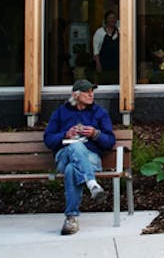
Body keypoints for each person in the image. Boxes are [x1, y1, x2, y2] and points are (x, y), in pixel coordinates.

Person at [42, 79, 116, 235]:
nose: (91, 94)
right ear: (75, 95)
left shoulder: (99, 113)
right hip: (64, 156)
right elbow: (48, 140)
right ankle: (92, 184)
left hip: (91, 158)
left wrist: (96, 134)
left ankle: (71, 218)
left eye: (92, 91)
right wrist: (65, 134)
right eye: (87, 91)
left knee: (71, 170)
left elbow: (110, 142)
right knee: (74, 145)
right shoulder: (61, 113)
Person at [92, 10, 119, 82]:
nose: (113, 20)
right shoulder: (100, 32)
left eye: (114, 18)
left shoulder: (119, 31)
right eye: (110, 18)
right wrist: (98, 65)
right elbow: (96, 51)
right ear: (106, 20)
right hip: (104, 66)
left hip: (117, 66)